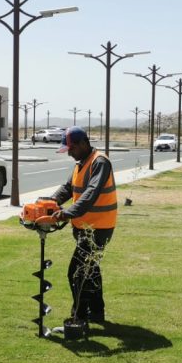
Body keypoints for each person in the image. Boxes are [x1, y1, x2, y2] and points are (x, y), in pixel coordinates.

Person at [48, 126, 117, 324]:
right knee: (91, 270)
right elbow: (68, 188)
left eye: (71, 149)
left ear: (83, 144)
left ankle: (79, 316)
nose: (69, 153)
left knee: (77, 272)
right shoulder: (81, 163)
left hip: (98, 228)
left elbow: (91, 192)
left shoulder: (100, 162)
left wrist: (67, 213)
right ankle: (96, 313)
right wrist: (49, 203)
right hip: (85, 227)